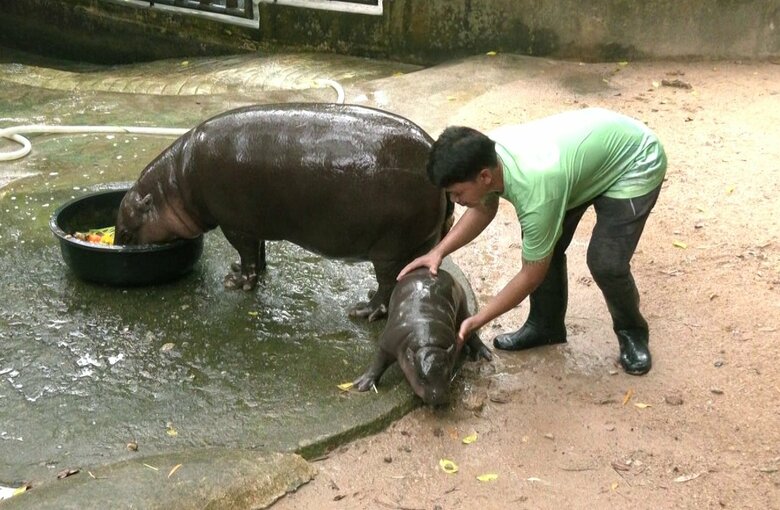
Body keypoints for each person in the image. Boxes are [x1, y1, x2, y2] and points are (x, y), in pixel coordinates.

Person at [398, 107, 667, 375]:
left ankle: (632, 332)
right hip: (583, 158)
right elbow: (483, 208)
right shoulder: (483, 157)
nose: (455, 201)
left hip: (635, 160)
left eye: (457, 193)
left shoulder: (536, 192)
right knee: (541, 242)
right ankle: (546, 326)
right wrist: (438, 252)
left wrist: (477, 320)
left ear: (484, 177)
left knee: (605, 262)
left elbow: (531, 274)